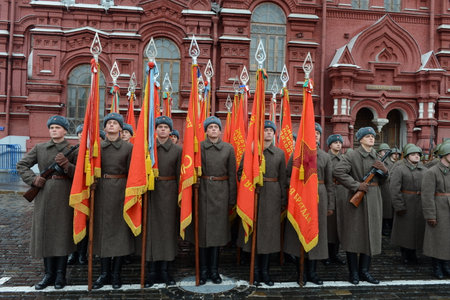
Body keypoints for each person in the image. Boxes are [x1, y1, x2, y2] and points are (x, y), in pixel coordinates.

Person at [17, 115, 76, 290]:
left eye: (58, 127)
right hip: (44, 196)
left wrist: (67, 165)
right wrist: (33, 180)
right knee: (46, 235)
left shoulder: (72, 149)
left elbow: (80, 174)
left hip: (65, 195)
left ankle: (60, 275)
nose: (54, 130)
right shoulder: (40, 148)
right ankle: (48, 274)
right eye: (51, 128)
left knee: (62, 236)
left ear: (65, 131)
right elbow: (22, 165)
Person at [333, 126, 388, 285]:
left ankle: (365, 271)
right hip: (357, 200)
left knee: (371, 236)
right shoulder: (352, 155)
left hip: (374, 199)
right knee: (353, 236)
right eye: (368, 136)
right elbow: (338, 172)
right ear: (360, 139)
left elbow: (384, 181)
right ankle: (354, 273)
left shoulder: (377, 156)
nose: (372, 138)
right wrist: (356, 185)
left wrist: (385, 171)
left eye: (373, 136)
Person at [187, 116, 237, 285]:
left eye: (216, 127)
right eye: (210, 127)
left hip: (221, 194)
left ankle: (214, 271)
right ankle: (202, 271)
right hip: (202, 194)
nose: (214, 130)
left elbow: (232, 174)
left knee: (217, 235)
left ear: (220, 131)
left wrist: (231, 198)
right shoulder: (198, 147)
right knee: (201, 234)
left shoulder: (228, 149)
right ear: (206, 131)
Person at [284, 123, 335, 286]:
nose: (316, 136)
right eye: (312, 133)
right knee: (300, 235)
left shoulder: (326, 157)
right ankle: (301, 272)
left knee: (316, 235)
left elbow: (329, 183)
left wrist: (330, 205)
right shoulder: (297, 155)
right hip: (301, 199)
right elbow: (287, 177)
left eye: (318, 134)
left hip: (319, 199)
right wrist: (297, 188)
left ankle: (313, 272)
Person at [237, 120, 287, 286]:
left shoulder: (279, 154)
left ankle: (265, 271)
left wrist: (282, 199)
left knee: (268, 235)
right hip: (254, 195)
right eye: (265, 130)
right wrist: (251, 183)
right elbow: (240, 173)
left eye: (270, 131)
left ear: (274, 134)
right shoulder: (251, 152)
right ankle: (255, 271)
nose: (268, 133)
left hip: (272, 196)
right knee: (255, 234)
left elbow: (282, 178)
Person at [92, 112, 134, 289]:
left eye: (114, 123)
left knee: (119, 234)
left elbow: (133, 173)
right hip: (101, 191)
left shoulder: (128, 148)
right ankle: (104, 273)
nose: (111, 126)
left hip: (121, 192)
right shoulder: (97, 147)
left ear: (120, 128)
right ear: (104, 128)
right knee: (102, 233)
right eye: (108, 123)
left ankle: (116, 274)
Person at [143, 116, 182, 287]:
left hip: (169, 192)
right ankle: (152, 270)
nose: (163, 130)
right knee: (152, 231)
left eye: (166, 127)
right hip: (152, 192)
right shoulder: (148, 148)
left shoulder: (177, 150)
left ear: (170, 130)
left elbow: (181, 175)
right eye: (160, 127)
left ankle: (165, 270)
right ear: (156, 129)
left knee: (167, 231)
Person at [389, 145, 426, 265]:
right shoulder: (400, 169)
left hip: (420, 204)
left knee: (417, 230)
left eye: (418, 154)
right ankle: (404, 253)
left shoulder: (424, 170)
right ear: (407, 156)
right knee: (405, 231)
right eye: (413, 154)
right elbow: (394, 189)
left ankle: (413, 253)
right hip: (406, 203)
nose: (416, 156)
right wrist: (399, 206)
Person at [421, 142, 450, 279]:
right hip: (439, 209)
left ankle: (446, 265)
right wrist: (430, 215)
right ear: (444, 154)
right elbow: (427, 195)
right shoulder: (431, 172)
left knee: (448, 239)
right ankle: (437, 266)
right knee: (437, 239)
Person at [67, 123, 88, 266]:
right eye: (79, 133)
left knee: (85, 222)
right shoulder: (72, 151)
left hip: (87, 191)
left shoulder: (91, 151)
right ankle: (72, 252)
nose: (82, 135)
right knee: (73, 222)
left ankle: (82, 253)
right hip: (74, 190)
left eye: (84, 133)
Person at [324, 133, 346, 266]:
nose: (338, 144)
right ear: (330, 145)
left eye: (340, 142)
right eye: (335, 142)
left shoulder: (344, 158)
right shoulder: (326, 158)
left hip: (342, 193)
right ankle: (326, 254)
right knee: (329, 226)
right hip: (329, 192)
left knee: (339, 225)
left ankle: (335, 254)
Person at [377, 143, 393, 236]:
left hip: (389, 187)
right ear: (379, 152)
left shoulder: (390, 162)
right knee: (382, 209)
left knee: (388, 209)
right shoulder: (379, 161)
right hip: (381, 187)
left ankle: (387, 226)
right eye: (384, 151)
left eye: (387, 151)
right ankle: (382, 227)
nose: (386, 152)